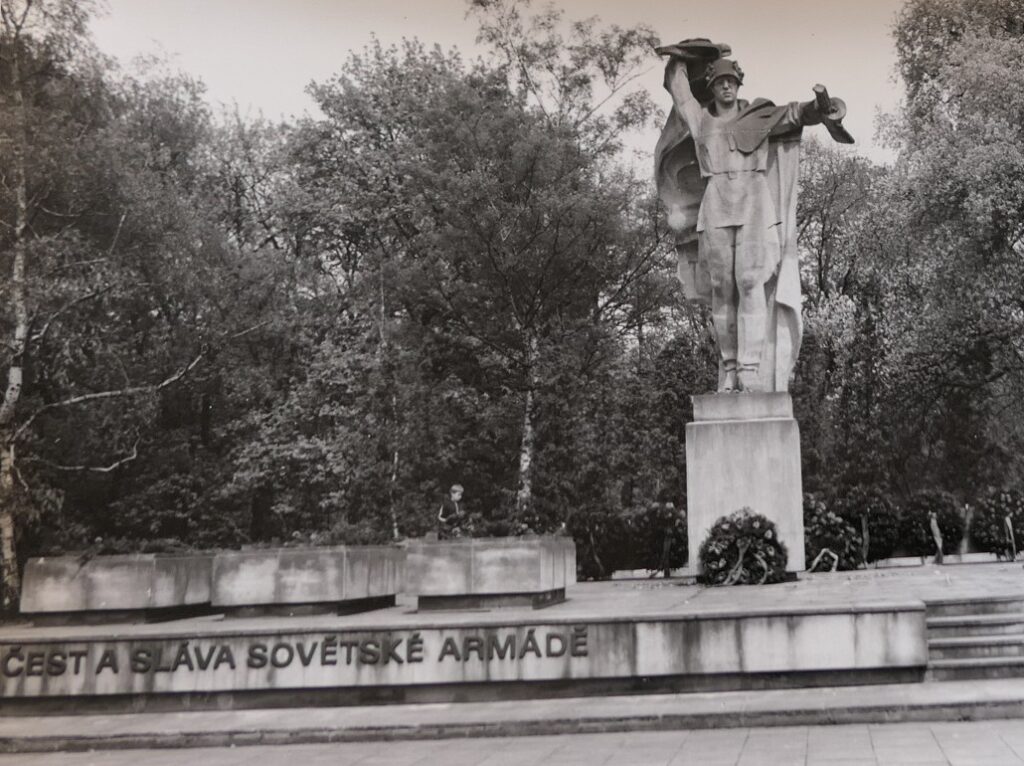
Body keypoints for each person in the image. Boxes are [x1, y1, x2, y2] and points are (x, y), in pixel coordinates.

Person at [656, 42, 850, 392]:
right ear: (711, 86)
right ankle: (729, 369)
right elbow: (679, 92)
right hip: (716, 205)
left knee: (750, 283)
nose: (727, 86)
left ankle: (749, 369)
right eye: (720, 81)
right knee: (722, 290)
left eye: (732, 81)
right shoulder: (701, 121)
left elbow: (797, 113)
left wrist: (824, 108)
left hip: (754, 205)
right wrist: (681, 58)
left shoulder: (759, 116)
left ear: (739, 84)